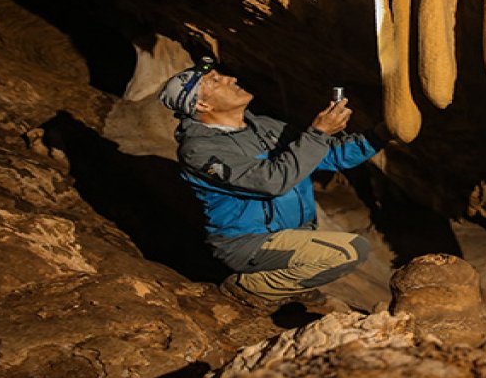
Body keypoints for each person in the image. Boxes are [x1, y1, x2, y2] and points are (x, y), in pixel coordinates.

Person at [158, 56, 388, 309]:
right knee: (350, 250)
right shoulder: (200, 151)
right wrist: (318, 133)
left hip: (295, 234)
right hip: (250, 243)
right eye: (215, 81)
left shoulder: (264, 127)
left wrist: (380, 135)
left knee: (337, 253)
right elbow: (272, 181)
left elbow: (330, 155)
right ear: (202, 104)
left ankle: (286, 289)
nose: (231, 78)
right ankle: (250, 287)